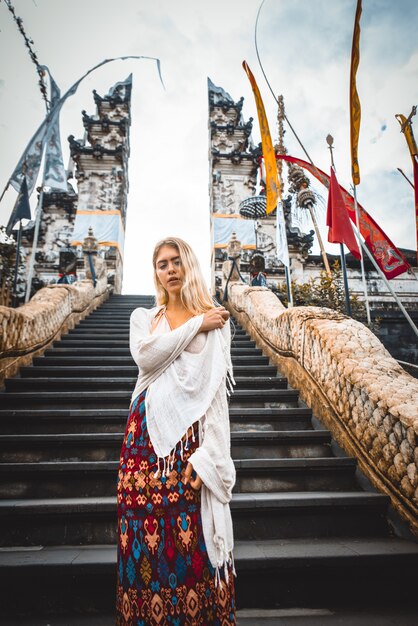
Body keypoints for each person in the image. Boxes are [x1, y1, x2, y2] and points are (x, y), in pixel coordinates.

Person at [116, 237, 237, 625]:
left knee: (189, 544)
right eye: (161, 264)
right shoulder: (144, 318)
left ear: (188, 265)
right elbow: (146, 355)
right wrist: (197, 323)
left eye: (175, 261)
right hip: (143, 440)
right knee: (142, 542)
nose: (169, 269)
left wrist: (210, 459)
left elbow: (216, 397)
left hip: (189, 445)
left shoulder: (216, 325)